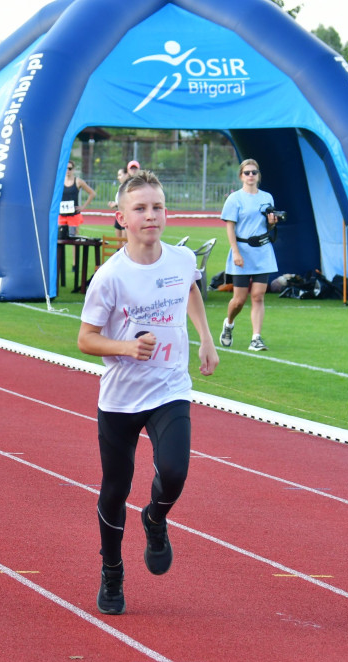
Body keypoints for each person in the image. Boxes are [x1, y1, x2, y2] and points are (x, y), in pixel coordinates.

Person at [77, 170, 218, 616]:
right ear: (121, 218)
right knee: (115, 488)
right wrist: (126, 348)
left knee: (174, 472)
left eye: (157, 207)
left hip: (169, 387)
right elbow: (85, 338)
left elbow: (190, 289)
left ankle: (155, 518)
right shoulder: (109, 277)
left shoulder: (178, 259)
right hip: (120, 397)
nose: (150, 215)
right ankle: (112, 571)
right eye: (140, 209)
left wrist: (206, 338)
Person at [219, 158, 279, 352]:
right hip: (242, 251)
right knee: (239, 300)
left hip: (262, 251)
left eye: (254, 172)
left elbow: (267, 226)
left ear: (258, 175)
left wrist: (272, 222)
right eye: (247, 173)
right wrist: (235, 252)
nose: (251, 175)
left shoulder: (267, 197)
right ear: (241, 176)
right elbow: (230, 227)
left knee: (259, 295)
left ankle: (256, 338)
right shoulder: (235, 199)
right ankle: (228, 324)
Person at [58, 160, 96, 238]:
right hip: (62, 214)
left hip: (73, 215)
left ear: (73, 169)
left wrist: (83, 206)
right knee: (59, 238)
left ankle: (75, 250)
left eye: (70, 168)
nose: (67, 170)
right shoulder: (59, 181)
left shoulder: (78, 181)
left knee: (74, 239)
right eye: (65, 168)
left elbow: (92, 193)